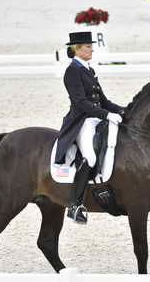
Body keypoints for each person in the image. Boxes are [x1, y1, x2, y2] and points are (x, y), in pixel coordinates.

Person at [54, 31, 125, 224]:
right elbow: (81, 103)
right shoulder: (72, 72)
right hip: (81, 121)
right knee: (91, 157)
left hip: (96, 118)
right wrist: (107, 114)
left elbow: (103, 101)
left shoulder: (89, 70)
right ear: (77, 49)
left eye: (91, 46)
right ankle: (75, 205)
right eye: (87, 46)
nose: (91, 49)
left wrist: (124, 110)